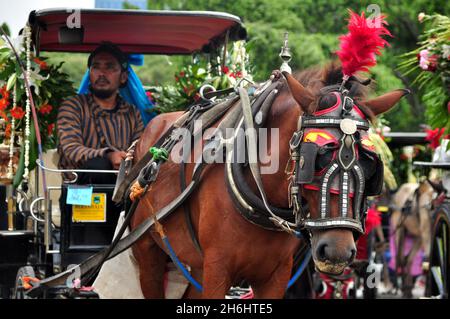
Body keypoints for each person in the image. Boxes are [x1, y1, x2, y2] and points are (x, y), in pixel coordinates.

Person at [57, 43, 144, 185]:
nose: (101, 73)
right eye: (96, 67)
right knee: (98, 166)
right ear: (89, 73)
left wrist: (126, 158)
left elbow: (139, 148)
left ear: (123, 77)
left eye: (109, 67)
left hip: (122, 192)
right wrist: (109, 156)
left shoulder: (132, 113)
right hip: (79, 193)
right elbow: (71, 149)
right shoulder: (73, 106)